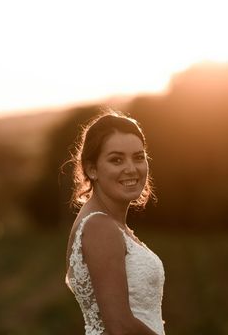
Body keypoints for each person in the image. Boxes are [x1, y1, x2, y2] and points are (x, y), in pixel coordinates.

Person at [65, 110, 165, 335]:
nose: (131, 168)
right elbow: (119, 327)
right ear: (92, 169)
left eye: (138, 157)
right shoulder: (100, 227)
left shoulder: (108, 224)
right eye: (116, 159)